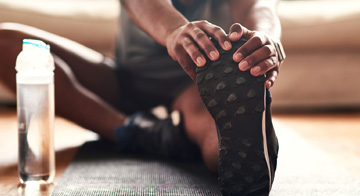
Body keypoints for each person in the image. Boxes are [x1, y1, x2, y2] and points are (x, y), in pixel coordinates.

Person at [0, 0, 285, 195]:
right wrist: (174, 32)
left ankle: (252, 140)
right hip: (122, 81)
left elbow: (259, 7)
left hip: (197, 86)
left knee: (222, 135)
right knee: (5, 42)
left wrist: (264, 40)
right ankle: (135, 130)